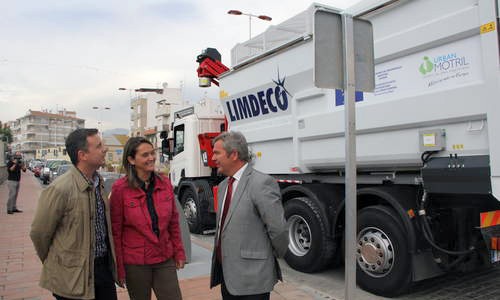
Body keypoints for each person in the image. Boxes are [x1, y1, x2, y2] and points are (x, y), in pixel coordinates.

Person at [30, 128, 118, 300]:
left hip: (102, 270)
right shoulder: (59, 188)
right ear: (82, 155)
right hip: (72, 276)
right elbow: (39, 233)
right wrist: (59, 264)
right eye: (99, 146)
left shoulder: (98, 183)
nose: (105, 149)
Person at [210, 131, 289, 300]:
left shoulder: (261, 183)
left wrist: (267, 256)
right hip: (228, 277)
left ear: (234, 154)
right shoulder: (224, 185)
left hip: (253, 279)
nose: (213, 158)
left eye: (217, 153)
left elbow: (278, 229)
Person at [110, 137, 185, 300]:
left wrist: (179, 252)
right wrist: (120, 268)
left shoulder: (164, 183)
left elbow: (173, 222)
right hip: (135, 263)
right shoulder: (120, 189)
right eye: (145, 155)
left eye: (152, 153)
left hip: (164, 257)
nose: (151, 158)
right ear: (131, 159)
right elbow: (116, 232)